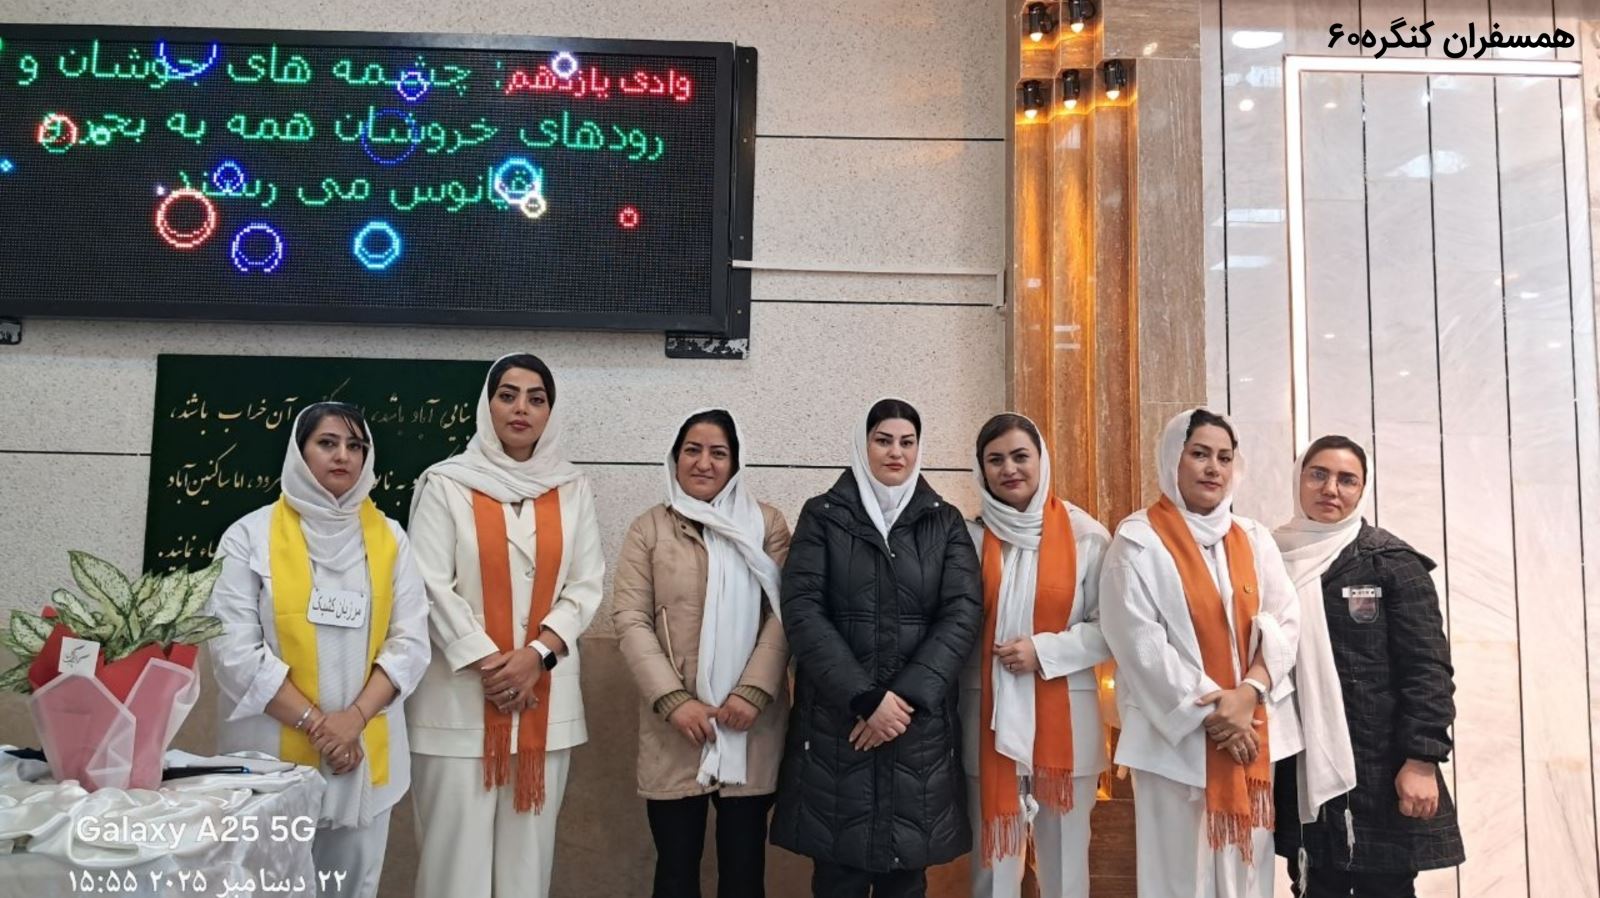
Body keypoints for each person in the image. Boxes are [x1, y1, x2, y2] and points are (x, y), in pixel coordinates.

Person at [208, 402, 431, 898]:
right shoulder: (248, 537)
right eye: (327, 443)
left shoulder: (390, 539)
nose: (343, 456)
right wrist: (320, 727)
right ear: (300, 451)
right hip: (268, 760)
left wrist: (353, 720)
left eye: (355, 446)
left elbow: (410, 643)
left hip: (363, 756)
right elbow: (234, 653)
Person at [405, 353, 605, 898]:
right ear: (486, 405)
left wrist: (535, 657)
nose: (521, 409)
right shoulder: (445, 483)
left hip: (545, 701)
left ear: (550, 413)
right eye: (507, 395)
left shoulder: (572, 488)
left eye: (536, 399)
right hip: (456, 703)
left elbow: (586, 585)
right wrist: (496, 667)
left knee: (526, 871)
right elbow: (428, 584)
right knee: (454, 871)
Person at [771, 397, 983, 898]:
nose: (896, 452)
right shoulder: (823, 516)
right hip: (839, 723)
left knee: (905, 876)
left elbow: (962, 614)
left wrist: (902, 700)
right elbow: (802, 610)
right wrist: (865, 698)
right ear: (862, 444)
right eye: (883, 440)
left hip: (916, 728)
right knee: (837, 876)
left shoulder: (944, 521)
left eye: (907, 442)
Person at [1098, 407, 1301, 898]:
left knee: (1248, 871)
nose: (1213, 468)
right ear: (1174, 458)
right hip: (1176, 744)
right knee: (1179, 877)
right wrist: (1219, 713)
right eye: (1200, 454)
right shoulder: (1137, 540)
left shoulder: (1254, 538)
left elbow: (1285, 623)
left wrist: (1249, 693)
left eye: (1224, 458)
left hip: (1251, 731)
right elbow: (1139, 643)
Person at [1272, 435, 1464, 896]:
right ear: (1298, 479)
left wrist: (1422, 759)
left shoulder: (1390, 562)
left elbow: (1428, 669)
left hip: (1380, 768)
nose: (1330, 489)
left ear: (1363, 488)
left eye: (1347, 479)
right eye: (1318, 474)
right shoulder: (1270, 558)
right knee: (1312, 883)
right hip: (1300, 764)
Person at [613, 409, 792, 898]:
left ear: (736, 463)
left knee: (743, 873)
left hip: (749, 725)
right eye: (692, 450)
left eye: (718, 453)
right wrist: (674, 701)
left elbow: (784, 613)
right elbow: (630, 618)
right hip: (675, 725)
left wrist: (753, 692)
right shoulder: (650, 528)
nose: (704, 463)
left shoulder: (766, 525)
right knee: (675, 869)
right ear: (675, 458)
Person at [961, 413, 1111, 898]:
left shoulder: (1087, 535)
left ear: (1041, 460)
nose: (1009, 469)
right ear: (981, 469)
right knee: (994, 864)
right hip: (988, 721)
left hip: (1065, 724)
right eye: (995, 460)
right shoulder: (967, 538)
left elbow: (1111, 629)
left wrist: (1043, 651)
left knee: (1065, 867)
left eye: (1020, 456)